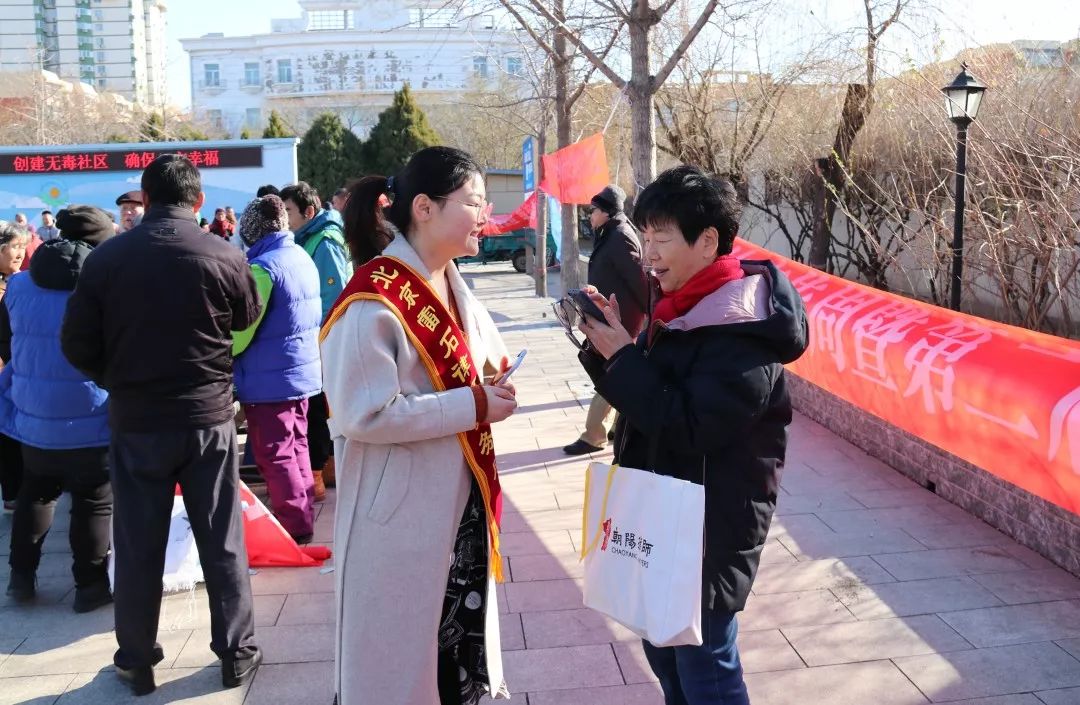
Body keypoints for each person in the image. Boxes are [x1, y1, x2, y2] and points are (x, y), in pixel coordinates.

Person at [575, 166, 808, 705]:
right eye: (644, 236)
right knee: (664, 652)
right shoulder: (683, 300)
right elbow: (649, 395)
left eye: (660, 238)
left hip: (709, 524)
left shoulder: (744, 324)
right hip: (663, 509)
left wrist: (625, 356)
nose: (648, 253)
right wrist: (604, 345)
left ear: (708, 242)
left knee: (706, 668)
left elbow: (691, 425)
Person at [61, 154, 263, 696]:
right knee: (221, 538)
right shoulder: (224, 254)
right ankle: (236, 652)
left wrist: (117, 378)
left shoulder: (106, 261)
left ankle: (136, 659)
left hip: (136, 421)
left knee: (138, 541)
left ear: (144, 201)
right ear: (197, 202)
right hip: (208, 418)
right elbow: (245, 320)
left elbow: (75, 343)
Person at [323, 146, 516, 705]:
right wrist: (473, 405)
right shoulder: (371, 301)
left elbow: (480, 360)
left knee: (453, 647)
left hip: (457, 504)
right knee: (398, 663)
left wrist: (493, 385)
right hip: (400, 516)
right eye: (475, 202)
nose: (486, 215)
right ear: (425, 208)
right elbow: (364, 414)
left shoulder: (449, 281)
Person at [1, 206, 114, 611]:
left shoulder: (18, 286)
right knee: (93, 500)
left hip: (33, 417)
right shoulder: (106, 288)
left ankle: (19, 577)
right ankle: (89, 586)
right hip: (92, 416)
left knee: (37, 491)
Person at [232, 195, 321, 542]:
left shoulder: (263, 269)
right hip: (298, 372)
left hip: (270, 380)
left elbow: (241, 333)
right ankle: (303, 513)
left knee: (276, 452)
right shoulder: (298, 255)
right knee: (296, 445)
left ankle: (293, 527)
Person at [562, 184, 648, 456]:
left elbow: (640, 283)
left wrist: (647, 316)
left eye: (593, 210)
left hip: (619, 322)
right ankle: (617, 425)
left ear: (608, 212)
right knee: (610, 373)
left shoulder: (621, 236)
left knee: (608, 375)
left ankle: (593, 435)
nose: (589, 215)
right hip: (608, 317)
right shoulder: (610, 233)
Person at [279, 181, 351, 494]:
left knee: (321, 408)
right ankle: (326, 470)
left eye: (289, 211)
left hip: (322, 338)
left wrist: (320, 339)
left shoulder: (324, 241)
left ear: (309, 211)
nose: (285, 218)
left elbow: (334, 296)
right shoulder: (307, 238)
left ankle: (320, 474)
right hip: (314, 337)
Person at [0, 221, 29, 512]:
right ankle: (13, 493)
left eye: (22, 246)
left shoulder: (18, 280)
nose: (19, 253)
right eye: (13, 247)